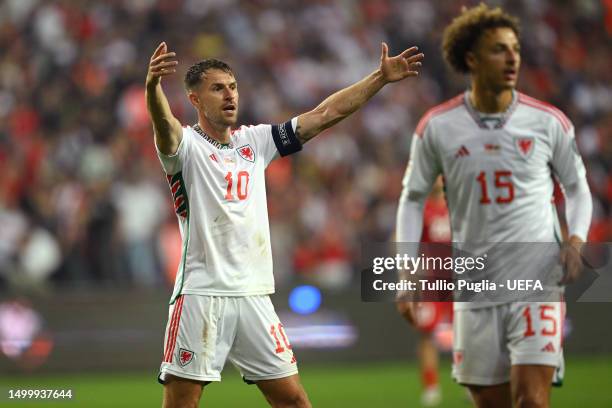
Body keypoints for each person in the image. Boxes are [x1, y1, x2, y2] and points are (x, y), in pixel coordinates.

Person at [146, 40, 423, 408]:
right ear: (195, 100)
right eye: (217, 88)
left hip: (254, 296)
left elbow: (324, 114)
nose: (229, 95)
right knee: (182, 402)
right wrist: (152, 88)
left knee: (294, 400)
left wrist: (380, 78)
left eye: (233, 87)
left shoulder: (255, 142)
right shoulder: (185, 148)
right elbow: (164, 124)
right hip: (202, 294)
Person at [395, 4, 591, 408]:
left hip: (536, 279)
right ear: (472, 58)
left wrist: (575, 238)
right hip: (476, 286)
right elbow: (412, 198)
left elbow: (578, 187)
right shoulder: (438, 126)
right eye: (499, 49)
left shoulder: (548, 122)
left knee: (532, 402)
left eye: (515, 48)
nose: (513, 57)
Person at [406, 177, 453, 407]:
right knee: (427, 334)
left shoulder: (458, 205)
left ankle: (472, 382)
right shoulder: (422, 208)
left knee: (470, 333)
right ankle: (431, 386)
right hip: (431, 281)